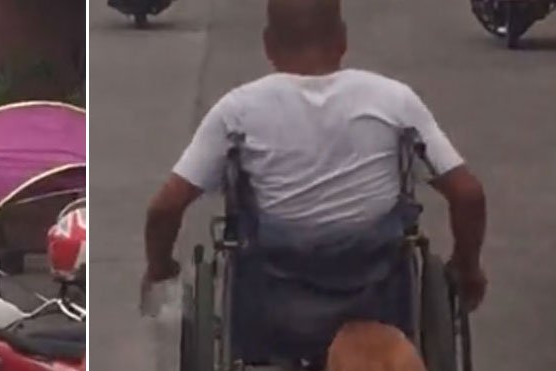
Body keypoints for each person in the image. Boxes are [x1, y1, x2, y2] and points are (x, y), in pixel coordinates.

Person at [142, 0, 488, 340]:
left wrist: (161, 269)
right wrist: (466, 268)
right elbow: (468, 194)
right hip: (378, 290)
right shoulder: (393, 100)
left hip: (274, 293)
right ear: (342, 40)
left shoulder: (237, 112)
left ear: (268, 45)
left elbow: (165, 208)